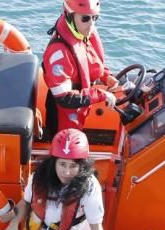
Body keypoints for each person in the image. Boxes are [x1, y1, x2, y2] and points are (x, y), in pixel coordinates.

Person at [2, 128, 106, 230]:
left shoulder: (90, 187)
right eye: (62, 164)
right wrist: (13, 225)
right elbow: (25, 202)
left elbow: (96, 227)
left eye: (73, 166)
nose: (67, 172)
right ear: (54, 162)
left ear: (82, 166)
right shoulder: (38, 178)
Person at [43, 0, 119, 133]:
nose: (91, 24)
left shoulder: (81, 34)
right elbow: (65, 98)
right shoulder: (59, 53)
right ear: (70, 16)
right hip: (63, 122)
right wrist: (100, 95)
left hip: (80, 107)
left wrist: (106, 76)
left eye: (94, 18)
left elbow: (89, 60)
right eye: (85, 18)